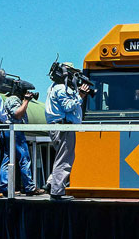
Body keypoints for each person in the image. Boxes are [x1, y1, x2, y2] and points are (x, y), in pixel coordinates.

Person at [45, 63, 89, 201]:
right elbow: (68, 107)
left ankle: (51, 183)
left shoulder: (53, 87)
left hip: (57, 126)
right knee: (64, 160)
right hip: (63, 127)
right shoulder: (61, 89)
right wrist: (80, 95)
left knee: (60, 157)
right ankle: (57, 192)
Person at [0, 88, 45, 196]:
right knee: (24, 159)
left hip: (10, 132)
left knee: (7, 158)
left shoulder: (10, 99)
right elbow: (17, 114)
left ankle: (5, 187)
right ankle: (29, 187)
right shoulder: (13, 99)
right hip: (15, 132)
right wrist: (26, 101)